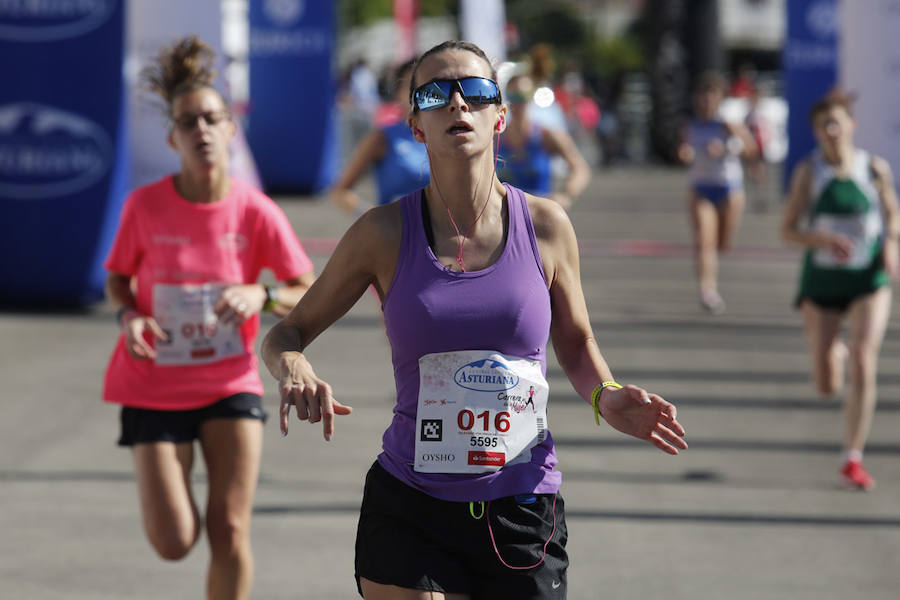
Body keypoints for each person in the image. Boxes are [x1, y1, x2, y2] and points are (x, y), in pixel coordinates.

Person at [262, 40, 687, 599]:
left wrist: (604, 394)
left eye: (476, 91)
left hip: (520, 503)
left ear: (499, 116)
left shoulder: (548, 226)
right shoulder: (382, 233)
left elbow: (577, 341)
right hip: (410, 498)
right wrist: (292, 365)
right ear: (415, 126)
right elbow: (286, 331)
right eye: (436, 93)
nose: (458, 104)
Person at [102, 36, 316, 599]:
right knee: (174, 541)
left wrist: (260, 294)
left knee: (230, 528)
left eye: (211, 118)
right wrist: (129, 317)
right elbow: (118, 278)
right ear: (173, 137)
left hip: (228, 383)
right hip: (152, 384)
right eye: (187, 122)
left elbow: (307, 291)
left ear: (229, 130)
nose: (200, 130)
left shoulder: (255, 210)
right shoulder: (144, 206)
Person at [780, 89, 899, 491]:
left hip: (868, 279)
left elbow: (891, 216)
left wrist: (892, 248)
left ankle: (853, 457)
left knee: (866, 358)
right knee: (827, 384)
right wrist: (822, 240)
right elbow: (788, 231)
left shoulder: (875, 168)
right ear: (815, 131)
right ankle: (836, 352)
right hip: (823, 282)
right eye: (823, 125)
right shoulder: (809, 172)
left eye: (837, 123)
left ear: (852, 126)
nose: (831, 130)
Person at [677, 71, 758, 314]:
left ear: (720, 99)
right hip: (701, 188)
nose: (707, 101)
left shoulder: (727, 124)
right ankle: (707, 291)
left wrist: (726, 147)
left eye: (712, 96)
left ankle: (710, 281)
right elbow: (683, 150)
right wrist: (684, 154)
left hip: (729, 189)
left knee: (723, 244)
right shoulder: (690, 126)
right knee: (704, 241)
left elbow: (751, 150)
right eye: (703, 96)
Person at [330, 59, 429, 216]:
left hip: (444, 237)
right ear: (398, 93)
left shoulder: (448, 136)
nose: (419, 93)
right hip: (398, 237)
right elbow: (339, 191)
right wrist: (374, 218)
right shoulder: (383, 137)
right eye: (412, 86)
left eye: (427, 87)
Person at [498, 74, 591, 210]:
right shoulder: (495, 138)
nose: (518, 103)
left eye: (523, 97)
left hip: (539, 217)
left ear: (531, 97)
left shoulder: (547, 136)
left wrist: (566, 195)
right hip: (504, 217)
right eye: (513, 97)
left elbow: (580, 168)